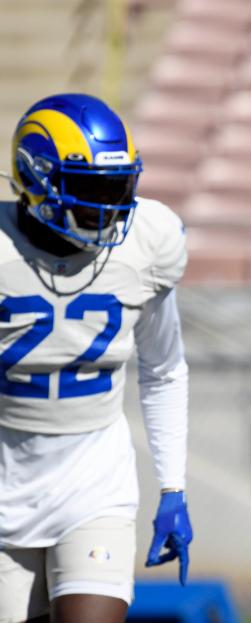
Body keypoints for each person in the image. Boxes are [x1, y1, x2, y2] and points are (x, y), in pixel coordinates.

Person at [0, 93, 192, 623]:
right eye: (90, 189)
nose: (110, 207)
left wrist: (172, 486)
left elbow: (163, 368)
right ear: (34, 180)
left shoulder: (148, 241)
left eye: (120, 186)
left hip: (93, 485)